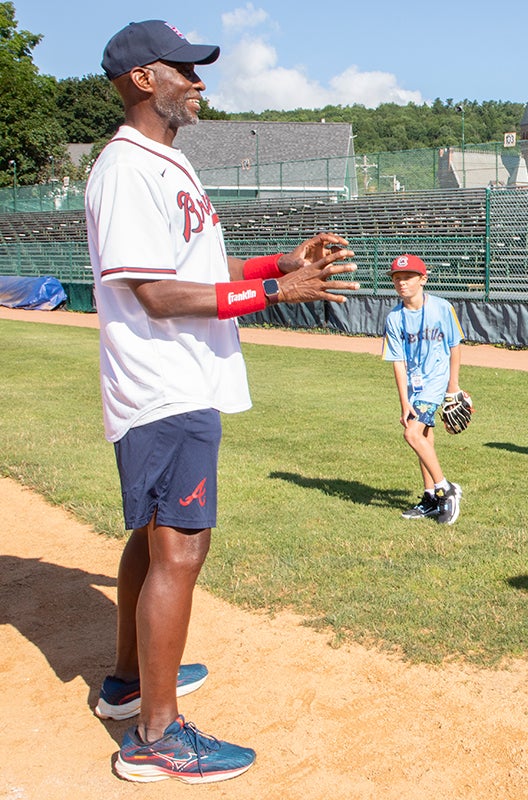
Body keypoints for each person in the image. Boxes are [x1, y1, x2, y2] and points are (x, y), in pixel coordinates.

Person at [87, 20, 359, 784]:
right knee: (182, 545)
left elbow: (201, 266)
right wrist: (274, 291)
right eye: (186, 70)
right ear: (145, 79)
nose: (200, 82)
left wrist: (280, 260)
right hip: (163, 382)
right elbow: (158, 291)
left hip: (183, 381)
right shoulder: (125, 169)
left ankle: (127, 685)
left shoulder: (166, 164)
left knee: (154, 537)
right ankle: (156, 737)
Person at [382, 254, 465, 525]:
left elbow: (455, 346)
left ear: (423, 279)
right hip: (415, 386)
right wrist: (404, 401)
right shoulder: (394, 318)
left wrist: (453, 387)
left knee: (412, 433)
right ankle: (430, 498)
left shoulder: (442, 308)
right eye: (397, 278)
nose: (402, 283)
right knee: (424, 438)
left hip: (436, 381)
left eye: (408, 278)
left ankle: (446, 489)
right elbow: (397, 361)